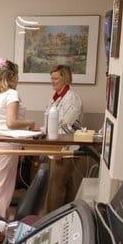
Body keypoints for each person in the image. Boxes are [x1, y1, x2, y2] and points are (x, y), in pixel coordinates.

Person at [0, 58, 36, 218]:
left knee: (1, 184)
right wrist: (30, 123)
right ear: (13, 76)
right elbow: (11, 122)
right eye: (17, 75)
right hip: (7, 142)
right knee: (3, 187)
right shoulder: (12, 94)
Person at [43, 65, 86, 213]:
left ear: (65, 78)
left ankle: (48, 219)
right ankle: (65, 216)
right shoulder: (55, 98)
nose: (52, 81)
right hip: (56, 147)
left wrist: (60, 149)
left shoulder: (72, 98)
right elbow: (49, 122)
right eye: (51, 78)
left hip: (65, 150)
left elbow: (67, 127)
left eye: (55, 78)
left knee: (56, 188)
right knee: (66, 186)